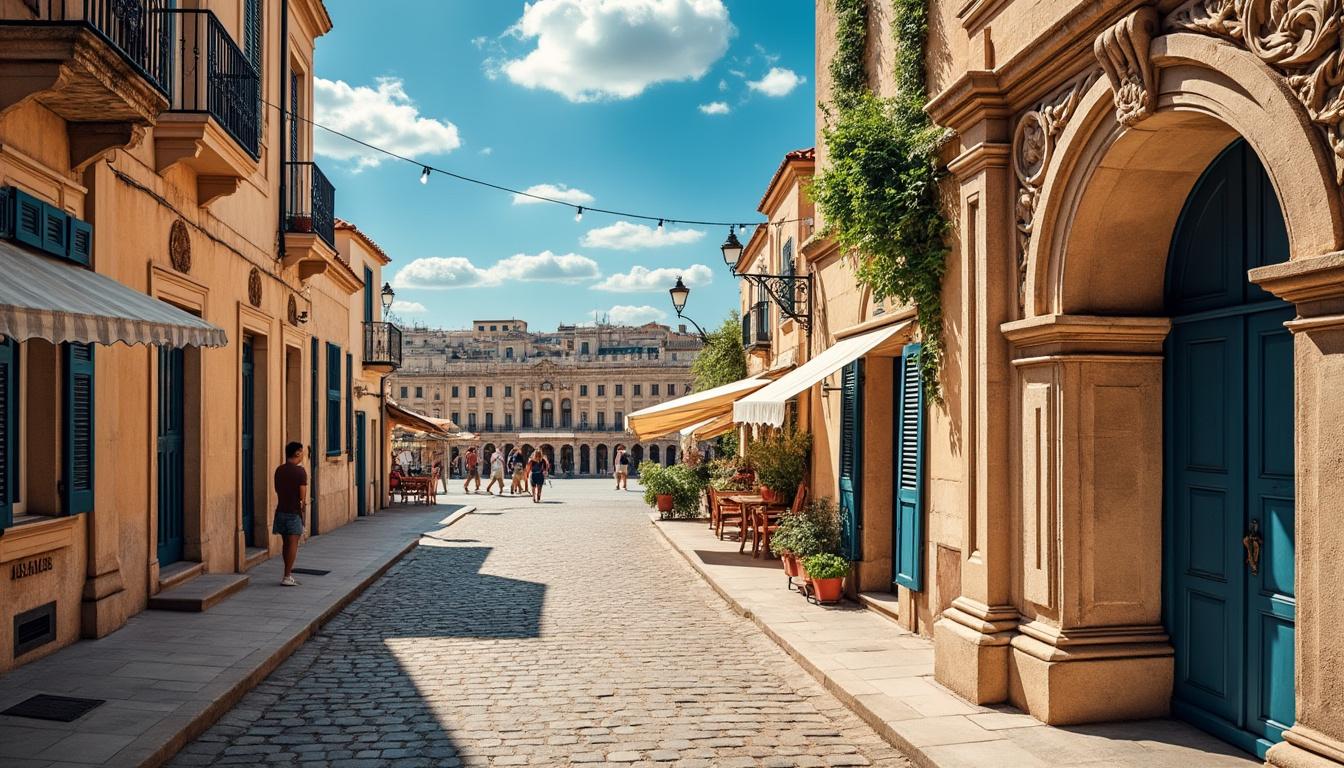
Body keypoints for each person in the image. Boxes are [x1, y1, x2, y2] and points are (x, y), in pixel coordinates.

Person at [273, 442, 308, 586]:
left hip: (281, 510)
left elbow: (277, 489)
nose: (303, 455)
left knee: (285, 543)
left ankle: (287, 574)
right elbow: (302, 496)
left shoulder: (279, 470)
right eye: (302, 452)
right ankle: (287, 576)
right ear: (298, 453)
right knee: (293, 543)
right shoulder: (300, 472)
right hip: (294, 512)